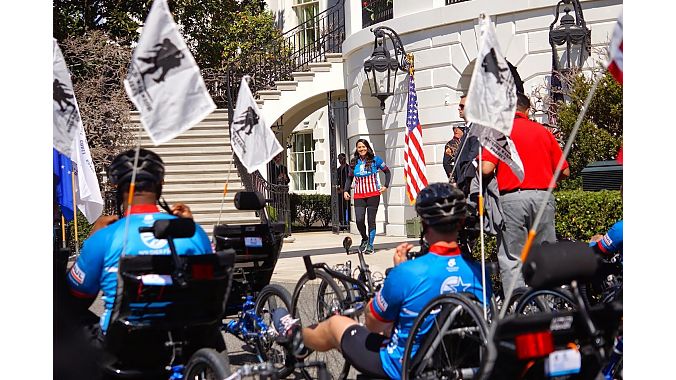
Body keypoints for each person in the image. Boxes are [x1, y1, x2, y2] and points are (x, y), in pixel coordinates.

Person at [271, 182, 491, 379]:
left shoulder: (408, 273)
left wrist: (398, 274)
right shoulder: (478, 273)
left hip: (401, 364)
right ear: (461, 222)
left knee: (337, 324)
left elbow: (373, 323)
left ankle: (294, 337)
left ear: (424, 223)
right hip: (456, 362)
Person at [65, 148, 219, 347]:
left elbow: (77, 297)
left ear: (116, 186)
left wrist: (92, 238)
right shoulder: (193, 232)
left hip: (122, 347)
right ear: (160, 184)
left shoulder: (105, 236)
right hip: (187, 341)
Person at [481, 93, 570, 289]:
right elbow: (565, 170)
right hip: (543, 197)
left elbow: (486, 168)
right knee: (546, 255)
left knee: (513, 258)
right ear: (527, 110)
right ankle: (548, 304)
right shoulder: (543, 132)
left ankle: (518, 308)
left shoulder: (500, 132)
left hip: (512, 199)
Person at [343, 139, 391, 255]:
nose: (362, 149)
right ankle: (364, 238)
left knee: (371, 221)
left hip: (373, 195)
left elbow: (387, 172)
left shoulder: (376, 160)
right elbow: (349, 178)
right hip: (359, 195)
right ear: (357, 149)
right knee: (359, 220)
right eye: (359, 147)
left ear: (367, 147)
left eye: (363, 147)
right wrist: (345, 190)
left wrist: (386, 186)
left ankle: (370, 244)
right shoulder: (354, 162)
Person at [452, 95, 481, 195]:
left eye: (462, 106)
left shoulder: (476, 128)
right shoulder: (468, 129)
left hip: (470, 184)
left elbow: (472, 158)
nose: (459, 109)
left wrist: (461, 182)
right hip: (463, 184)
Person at [336, 153, 351, 228]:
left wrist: (345, 189)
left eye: (341, 158)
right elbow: (336, 181)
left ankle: (348, 223)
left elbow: (349, 180)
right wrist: (338, 188)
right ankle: (342, 223)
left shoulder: (348, 168)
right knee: (340, 208)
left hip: (347, 190)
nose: (340, 160)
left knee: (347, 207)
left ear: (345, 158)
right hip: (340, 192)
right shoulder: (338, 170)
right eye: (339, 158)